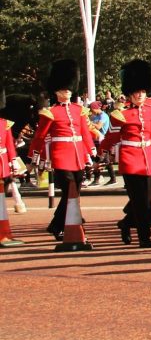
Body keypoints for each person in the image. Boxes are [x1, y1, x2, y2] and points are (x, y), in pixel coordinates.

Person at [30, 59, 95, 240]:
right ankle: (65, 225)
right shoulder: (50, 112)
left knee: (74, 193)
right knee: (69, 192)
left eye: (68, 88)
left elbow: (85, 133)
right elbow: (40, 137)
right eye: (63, 88)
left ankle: (57, 225)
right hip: (61, 156)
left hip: (78, 155)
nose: (66, 91)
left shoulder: (79, 110)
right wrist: (34, 158)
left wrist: (92, 152)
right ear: (56, 90)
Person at [106, 59, 151, 247]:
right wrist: (102, 155)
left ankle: (125, 223)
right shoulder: (120, 115)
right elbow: (111, 138)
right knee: (139, 201)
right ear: (129, 94)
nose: (140, 95)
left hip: (147, 157)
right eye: (136, 92)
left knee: (145, 199)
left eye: (142, 92)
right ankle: (144, 238)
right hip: (130, 158)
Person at [86, 100, 113, 185]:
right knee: (98, 160)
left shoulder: (103, 116)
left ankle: (109, 178)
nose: (91, 111)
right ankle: (99, 179)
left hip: (103, 140)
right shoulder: (95, 116)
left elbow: (98, 127)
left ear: (95, 108)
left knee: (103, 160)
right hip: (96, 140)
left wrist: (89, 123)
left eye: (91, 109)